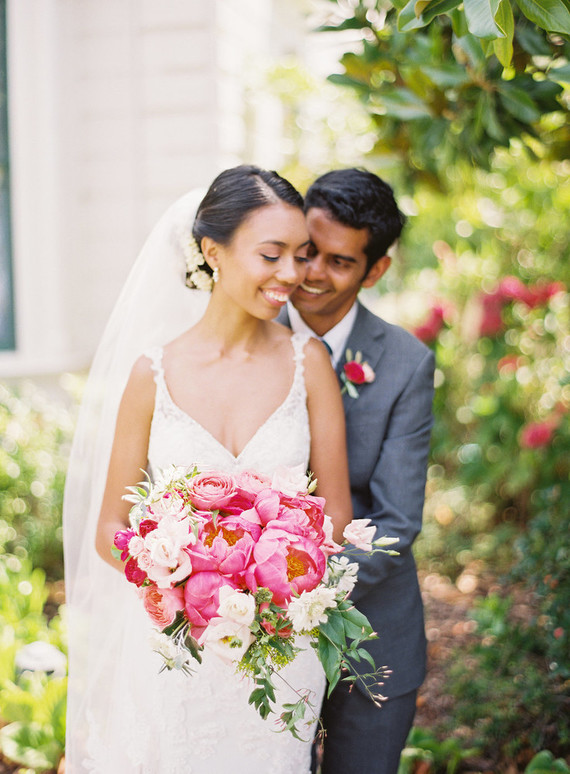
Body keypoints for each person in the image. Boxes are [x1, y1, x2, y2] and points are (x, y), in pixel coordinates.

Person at [63, 165, 353, 773]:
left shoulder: (310, 364)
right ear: (211, 252)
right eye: (271, 254)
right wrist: (189, 584)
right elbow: (109, 529)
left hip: (277, 653)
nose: (291, 274)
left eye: (300, 256)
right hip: (175, 652)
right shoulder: (153, 374)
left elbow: (335, 517)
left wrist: (263, 592)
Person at [279, 168, 435, 774]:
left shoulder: (405, 363)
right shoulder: (246, 340)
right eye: (306, 251)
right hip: (251, 636)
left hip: (372, 634)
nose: (312, 272)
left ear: (374, 271)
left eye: (339, 262)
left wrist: (299, 595)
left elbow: (396, 520)